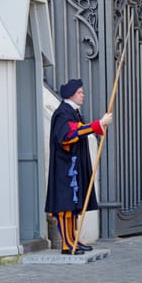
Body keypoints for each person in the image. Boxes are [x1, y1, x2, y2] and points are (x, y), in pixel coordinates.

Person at [45, 79, 113, 255]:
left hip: (73, 166)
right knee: (65, 205)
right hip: (65, 167)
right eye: (80, 92)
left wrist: (98, 127)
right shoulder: (63, 113)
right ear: (71, 95)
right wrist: (97, 124)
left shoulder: (72, 112)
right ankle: (67, 243)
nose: (83, 95)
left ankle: (73, 239)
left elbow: (79, 129)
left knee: (73, 205)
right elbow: (68, 135)